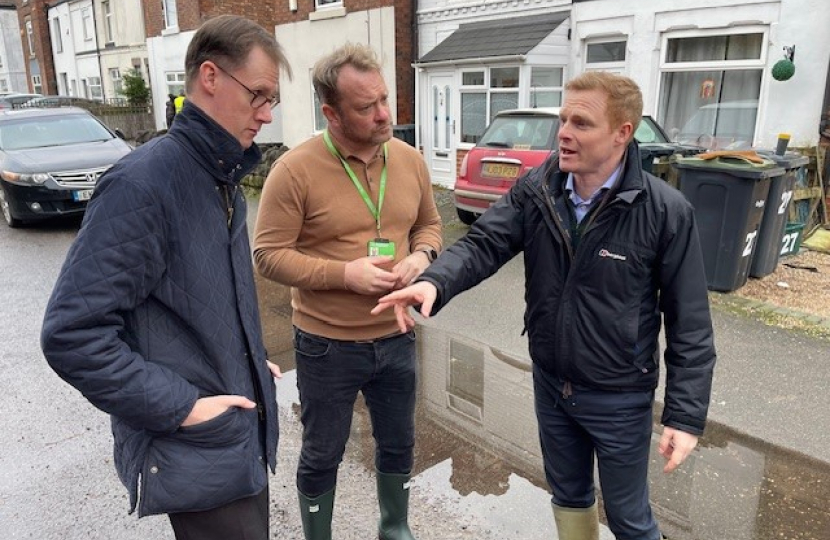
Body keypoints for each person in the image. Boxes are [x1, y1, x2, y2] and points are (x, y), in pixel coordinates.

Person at [373, 71, 717, 540]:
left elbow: (690, 324)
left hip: (619, 396)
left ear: (622, 133)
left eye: (582, 123)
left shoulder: (665, 211)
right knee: (568, 497)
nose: (564, 133)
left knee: (629, 518)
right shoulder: (538, 189)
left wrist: (683, 415)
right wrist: (434, 282)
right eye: (563, 119)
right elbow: (484, 243)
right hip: (552, 384)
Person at [41, 15, 291, 540]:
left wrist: (242, 354)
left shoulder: (219, 175)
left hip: (234, 435)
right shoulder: (144, 183)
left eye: (273, 100)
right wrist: (183, 407)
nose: (267, 115)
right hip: (199, 446)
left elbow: (189, 298)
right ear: (210, 77)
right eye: (259, 96)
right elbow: (72, 334)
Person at [252, 43, 442, 540]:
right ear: (331, 113)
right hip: (326, 344)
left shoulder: (409, 159)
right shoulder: (293, 171)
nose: (383, 115)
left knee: (398, 443)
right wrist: (345, 275)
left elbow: (429, 226)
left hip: (397, 337)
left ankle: (394, 529)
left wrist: (421, 260)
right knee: (323, 453)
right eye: (366, 107)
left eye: (385, 100)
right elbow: (267, 255)